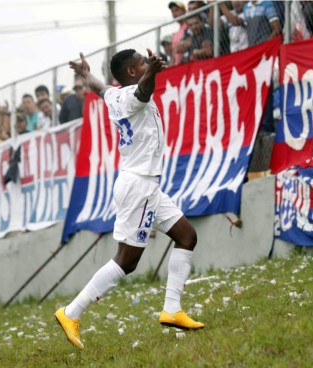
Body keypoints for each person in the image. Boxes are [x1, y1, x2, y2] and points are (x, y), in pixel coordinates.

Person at [54, 48, 204, 350]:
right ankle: (71, 313)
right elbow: (145, 90)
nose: (146, 63)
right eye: (141, 63)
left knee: (186, 236)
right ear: (133, 73)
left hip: (145, 184)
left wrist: (84, 73)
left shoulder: (115, 95)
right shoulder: (136, 96)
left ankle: (172, 309)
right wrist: (153, 73)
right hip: (139, 187)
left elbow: (99, 87)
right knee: (127, 261)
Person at [168, 1, 189, 66]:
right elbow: (174, 55)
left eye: (177, 10)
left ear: (184, 11)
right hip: (178, 67)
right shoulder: (176, 34)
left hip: (187, 64)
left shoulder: (189, 25)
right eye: (172, 11)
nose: (174, 13)